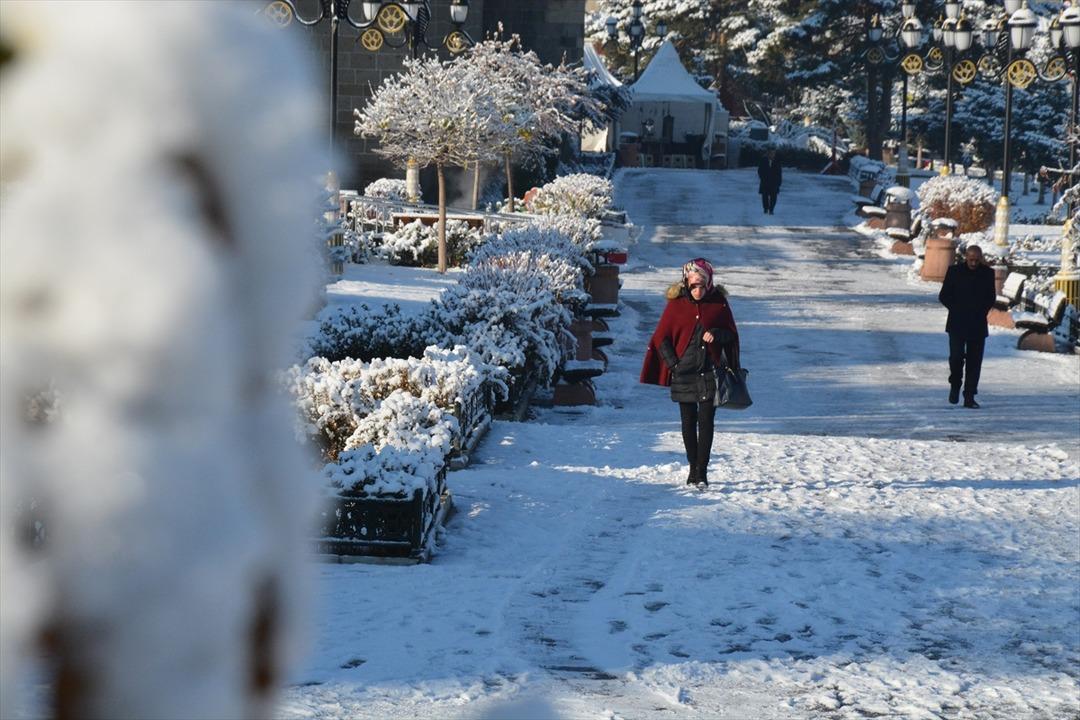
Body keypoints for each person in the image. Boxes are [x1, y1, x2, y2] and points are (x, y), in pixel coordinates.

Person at [640, 258, 740, 487]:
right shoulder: (676, 305)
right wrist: (673, 364)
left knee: (706, 423)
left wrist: (716, 333)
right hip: (683, 373)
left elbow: (731, 334)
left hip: (709, 372)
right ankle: (692, 467)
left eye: (702, 285)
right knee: (688, 423)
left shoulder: (719, 303)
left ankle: (702, 472)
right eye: (693, 285)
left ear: (709, 283)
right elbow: (660, 337)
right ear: (686, 282)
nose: (697, 290)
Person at [938, 244, 996, 408]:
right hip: (957, 323)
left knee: (974, 362)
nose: (973, 263)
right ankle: (955, 384)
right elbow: (943, 296)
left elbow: (990, 297)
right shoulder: (955, 272)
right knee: (956, 358)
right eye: (971, 260)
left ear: (981, 259)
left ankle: (969, 395)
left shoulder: (987, 274)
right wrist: (957, 309)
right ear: (966, 257)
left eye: (977, 260)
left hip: (977, 324)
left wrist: (980, 311)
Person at [757, 149, 782, 214]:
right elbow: (760, 171)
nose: (772, 155)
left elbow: (779, 172)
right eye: (771, 153)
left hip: (774, 182)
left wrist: (779, 182)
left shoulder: (777, 161)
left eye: (774, 153)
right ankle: (765, 208)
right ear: (768, 153)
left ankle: (771, 209)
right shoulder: (763, 160)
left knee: (774, 197)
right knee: (764, 196)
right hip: (765, 182)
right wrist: (762, 178)